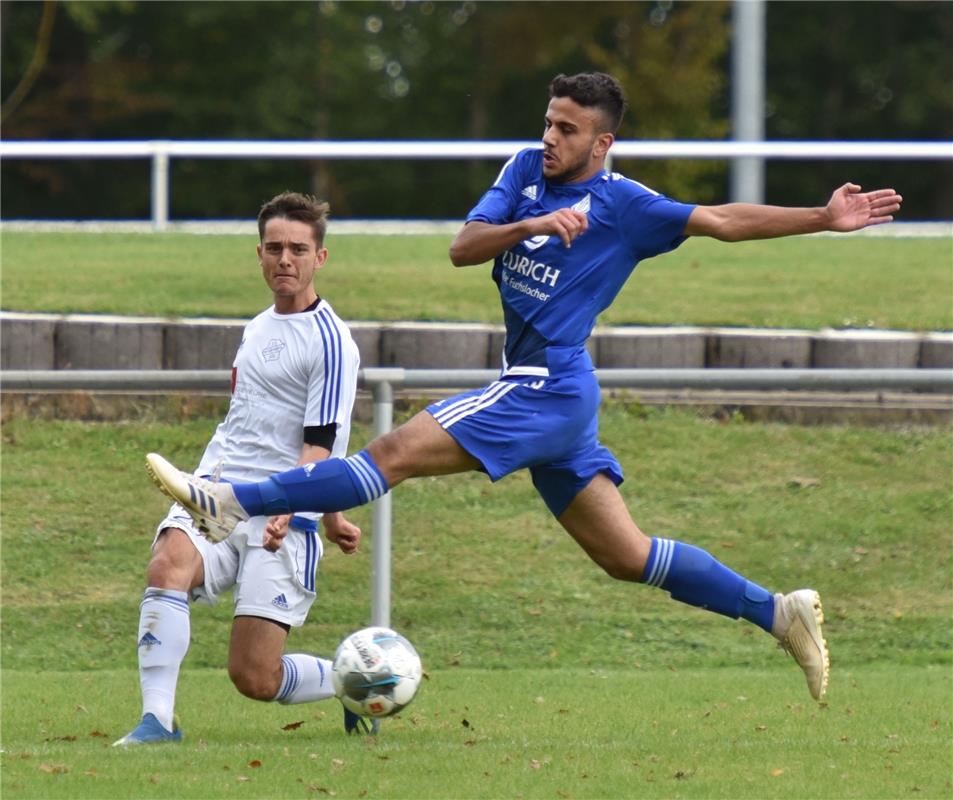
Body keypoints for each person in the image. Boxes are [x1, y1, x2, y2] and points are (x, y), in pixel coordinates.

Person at [144, 73, 904, 703]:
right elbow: (461, 248)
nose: (550, 137)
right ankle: (778, 613)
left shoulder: (625, 206)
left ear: (601, 144)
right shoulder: (521, 174)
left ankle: (233, 500)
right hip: (545, 392)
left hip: (547, 384)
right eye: (548, 122)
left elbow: (723, 220)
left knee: (393, 451)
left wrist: (820, 217)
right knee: (627, 555)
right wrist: (533, 228)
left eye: (568, 129)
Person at [114, 191, 377, 746]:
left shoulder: (331, 342)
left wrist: (306, 510)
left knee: (254, 677)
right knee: (167, 566)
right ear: (258, 253)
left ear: (320, 259)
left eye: (298, 249)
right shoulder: (257, 327)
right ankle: (156, 721)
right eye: (275, 248)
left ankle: (351, 680)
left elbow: (322, 444)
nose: (286, 259)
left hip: (281, 514)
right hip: (215, 493)